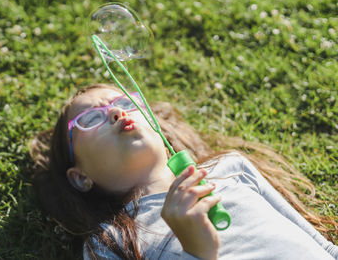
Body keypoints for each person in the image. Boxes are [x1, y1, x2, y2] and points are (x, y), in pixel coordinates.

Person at [30, 83, 338, 259]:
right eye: (89, 119)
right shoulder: (109, 243)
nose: (115, 111)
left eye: (124, 100)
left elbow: (322, 247)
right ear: (81, 177)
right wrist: (197, 252)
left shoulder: (231, 167)